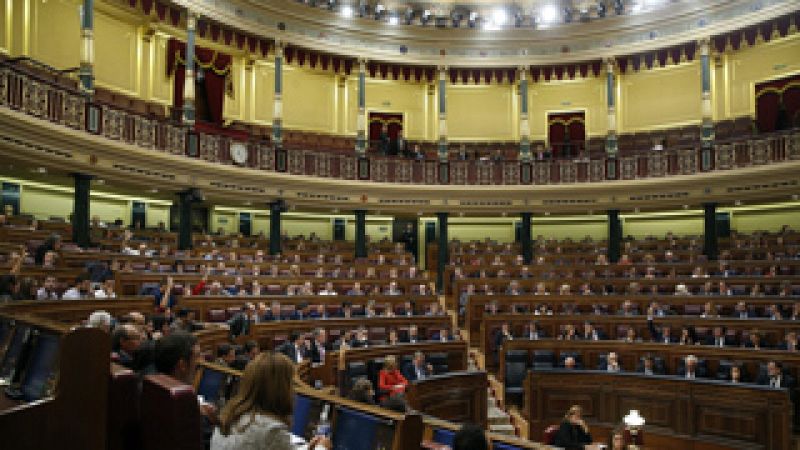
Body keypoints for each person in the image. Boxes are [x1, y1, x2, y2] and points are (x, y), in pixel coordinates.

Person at [212, 352, 331, 450]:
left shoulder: (228, 415)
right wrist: (321, 447)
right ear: (281, 389)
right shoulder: (271, 430)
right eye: (290, 384)